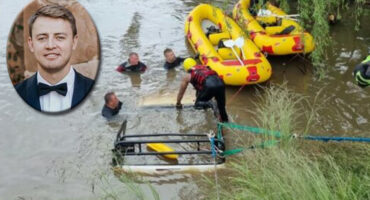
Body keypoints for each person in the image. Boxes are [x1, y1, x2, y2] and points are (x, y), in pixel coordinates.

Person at [15, 4, 94, 112]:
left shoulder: (96, 92)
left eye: (60, 37)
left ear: (74, 42)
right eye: (42, 38)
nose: (50, 45)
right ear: (31, 44)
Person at [176, 58, 229, 122]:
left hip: (209, 85)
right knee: (221, 108)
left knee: (197, 104)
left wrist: (178, 103)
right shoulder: (205, 67)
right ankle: (225, 123)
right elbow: (203, 85)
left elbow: (181, 93)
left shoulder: (187, 76)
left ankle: (211, 104)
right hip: (221, 83)